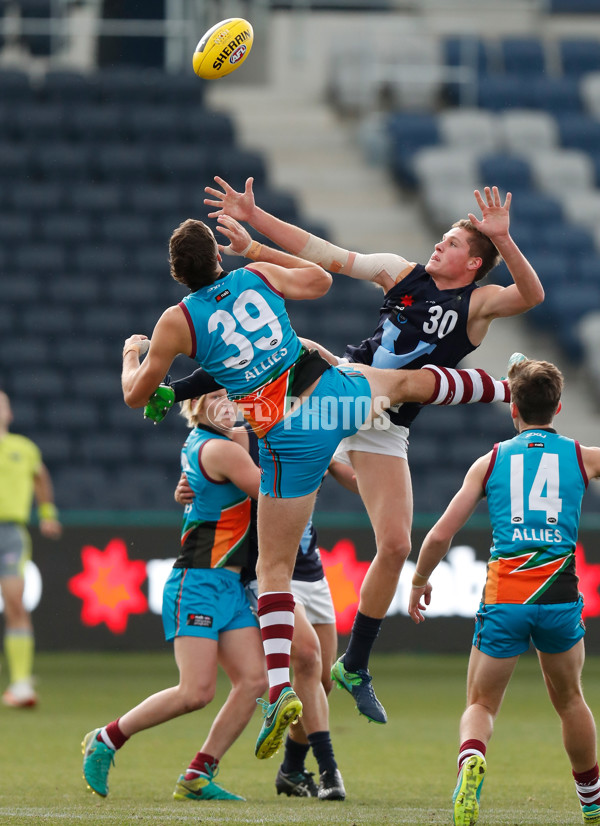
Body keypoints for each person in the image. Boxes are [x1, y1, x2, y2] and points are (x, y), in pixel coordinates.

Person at [120, 212, 510, 760]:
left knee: (271, 569)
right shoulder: (254, 276)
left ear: (176, 274)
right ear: (217, 257)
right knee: (401, 382)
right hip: (329, 394)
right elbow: (320, 279)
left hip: (286, 434)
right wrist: (257, 251)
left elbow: (138, 396)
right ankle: (505, 389)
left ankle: (278, 691)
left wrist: (132, 358)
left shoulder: (174, 321)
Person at [203, 177, 545, 726]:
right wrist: (257, 221)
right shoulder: (399, 272)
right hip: (346, 394)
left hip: (386, 429)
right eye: (442, 237)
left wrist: (502, 238)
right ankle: (260, 628)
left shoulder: (476, 304)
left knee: (394, 544)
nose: (439, 245)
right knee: (275, 446)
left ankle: (354, 665)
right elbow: (325, 255)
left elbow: (532, 296)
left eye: (453, 243)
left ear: (474, 264)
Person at [408, 356, 600, 826]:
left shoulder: (490, 460)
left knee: (480, 703)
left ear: (512, 407)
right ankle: (593, 804)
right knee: (571, 699)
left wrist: (418, 581)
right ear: (557, 407)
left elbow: (438, 536)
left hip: (505, 598)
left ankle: (472, 758)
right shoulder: (582, 456)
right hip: (558, 597)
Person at [167, 366, 352, 801]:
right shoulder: (241, 432)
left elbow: (345, 474)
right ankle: (329, 772)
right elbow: (219, 473)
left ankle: (291, 768)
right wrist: (189, 483)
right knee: (304, 657)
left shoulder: (320, 422)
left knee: (320, 679)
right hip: (268, 570)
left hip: (310, 564)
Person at [82, 388, 267, 801]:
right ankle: (107, 739)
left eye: (231, 397)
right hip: (197, 582)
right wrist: (317, 459)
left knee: (254, 679)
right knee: (195, 692)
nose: (228, 405)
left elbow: (229, 460)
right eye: (216, 397)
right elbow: (272, 494)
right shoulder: (220, 450)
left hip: (228, 584)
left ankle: (198, 775)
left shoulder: (209, 442)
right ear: (196, 404)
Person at [0, 390, 61, 708]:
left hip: (10, 533)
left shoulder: (24, 449)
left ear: (9, 413)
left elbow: (41, 478)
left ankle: (21, 684)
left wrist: (47, 512)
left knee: (15, 604)